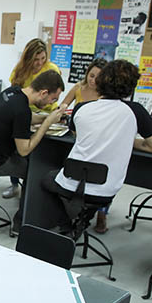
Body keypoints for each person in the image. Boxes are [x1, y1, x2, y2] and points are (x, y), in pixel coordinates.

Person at [42, 59, 152, 235]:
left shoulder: (81, 108)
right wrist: (125, 140)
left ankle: (66, 223)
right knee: (93, 193)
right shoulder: (136, 111)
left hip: (71, 180)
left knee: (47, 180)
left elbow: (81, 135)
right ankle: (81, 223)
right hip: (105, 188)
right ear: (131, 87)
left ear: (101, 81)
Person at [0, 70, 67, 234]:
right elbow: (24, 150)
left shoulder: (11, 92)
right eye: (53, 99)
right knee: (36, 172)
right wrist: (46, 124)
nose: (53, 102)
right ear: (44, 93)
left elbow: (25, 117)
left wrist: (47, 117)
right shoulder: (22, 109)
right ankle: (21, 222)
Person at [4, 38, 63, 199]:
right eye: (36, 59)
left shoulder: (51, 69)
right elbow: (15, 94)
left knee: (40, 148)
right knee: (18, 146)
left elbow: (55, 93)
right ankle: (15, 184)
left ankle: (31, 189)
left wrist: (51, 115)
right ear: (28, 58)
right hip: (25, 113)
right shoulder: (20, 71)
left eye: (43, 58)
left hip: (46, 111)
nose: (40, 63)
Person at [61, 58, 111, 233]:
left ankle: (102, 214)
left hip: (95, 139)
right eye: (91, 75)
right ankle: (72, 208)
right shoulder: (78, 88)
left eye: (98, 77)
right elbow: (64, 104)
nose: (93, 80)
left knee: (99, 176)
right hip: (75, 134)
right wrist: (63, 109)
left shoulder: (106, 96)